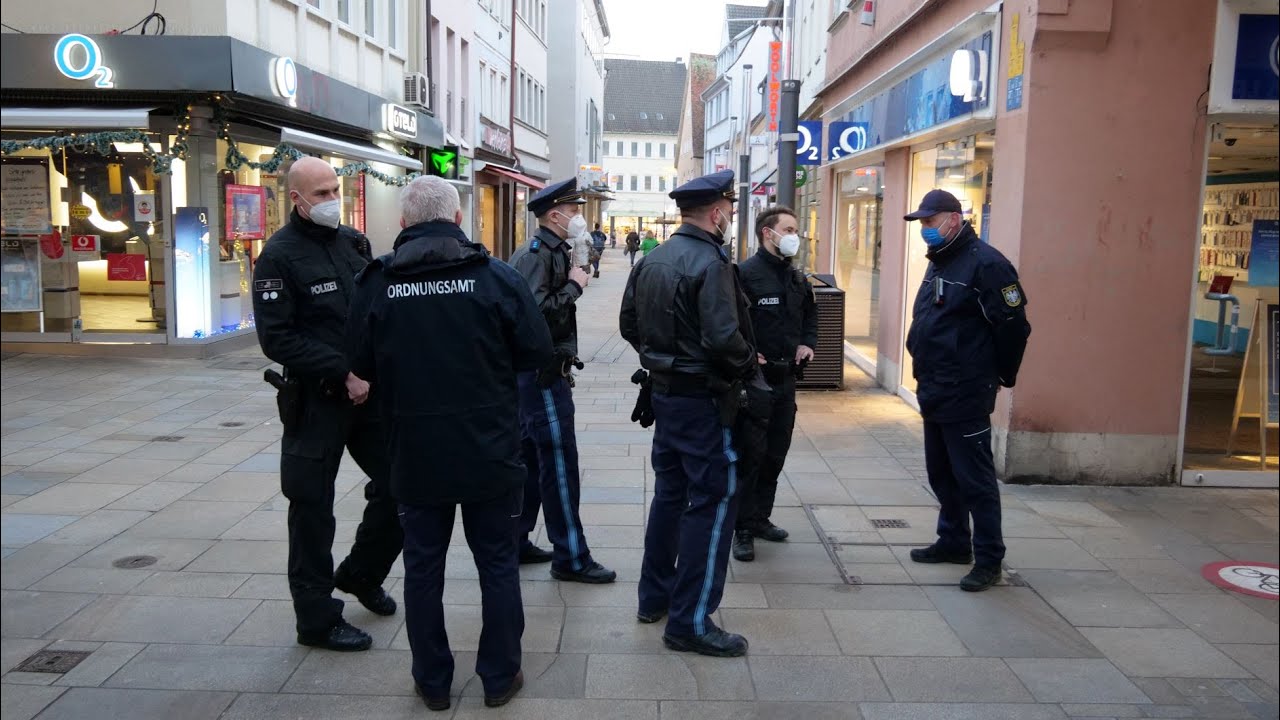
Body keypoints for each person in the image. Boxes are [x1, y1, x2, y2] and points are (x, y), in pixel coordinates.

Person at [346, 176, 547, 710]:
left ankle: (432, 681)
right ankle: (500, 676)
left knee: (423, 568)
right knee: (498, 565)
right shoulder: (496, 277)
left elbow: (357, 361)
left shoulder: (378, 282)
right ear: (458, 220)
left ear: (405, 223)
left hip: (414, 451)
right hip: (490, 450)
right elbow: (536, 351)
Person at [251, 156, 402, 652]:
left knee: (403, 485)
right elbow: (277, 339)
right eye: (319, 194)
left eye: (334, 189)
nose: (331, 200)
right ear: (295, 199)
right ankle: (315, 619)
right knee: (312, 510)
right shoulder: (278, 256)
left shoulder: (352, 243)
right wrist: (341, 371)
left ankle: (361, 572)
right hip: (317, 402)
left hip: (368, 398)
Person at [620, 169, 760, 658]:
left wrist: (662, 359)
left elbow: (628, 324)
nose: (729, 219)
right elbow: (724, 337)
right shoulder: (711, 262)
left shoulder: (654, 259)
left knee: (670, 496)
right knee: (713, 499)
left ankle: (654, 596)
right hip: (703, 399)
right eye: (729, 211)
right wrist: (748, 367)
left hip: (667, 394)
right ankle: (691, 620)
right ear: (717, 213)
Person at [902, 189, 1031, 593]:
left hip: (966, 389)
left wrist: (1001, 375)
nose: (925, 229)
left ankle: (989, 558)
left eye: (929, 221)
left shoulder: (988, 265)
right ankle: (954, 540)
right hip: (934, 386)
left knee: (974, 479)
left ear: (954, 219)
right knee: (941, 473)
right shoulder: (941, 261)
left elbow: (1014, 327)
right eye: (922, 223)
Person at [509, 178, 617, 584]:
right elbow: (534, 316)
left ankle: (516, 540)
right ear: (554, 216)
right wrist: (575, 285)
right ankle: (571, 556)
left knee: (533, 461)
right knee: (557, 463)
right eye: (574, 211)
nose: (580, 218)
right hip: (542, 375)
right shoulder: (538, 254)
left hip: (537, 374)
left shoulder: (549, 250)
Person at [731, 206, 818, 562]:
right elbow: (730, 322)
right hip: (755, 383)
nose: (796, 234)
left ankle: (761, 517)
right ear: (769, 233)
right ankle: (742, 528)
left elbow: (811, 314)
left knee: (775, 454)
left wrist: (807, 343)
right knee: (751, 455)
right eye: (790, 228)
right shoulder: (744, 275)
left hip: (786, 382)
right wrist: (748, 355)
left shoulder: (796, 278)